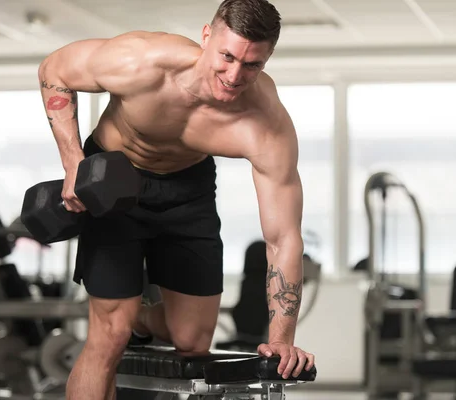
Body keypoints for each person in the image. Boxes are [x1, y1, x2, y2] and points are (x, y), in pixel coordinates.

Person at [38, 0, 315, 398]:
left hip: (189, 190)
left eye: (252, 65)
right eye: (227, 56)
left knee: (192, 340)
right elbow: (54, 70)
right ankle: (126, 320)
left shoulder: (265, 124)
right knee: (109, 333)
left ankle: (143, 320)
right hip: (114, 182)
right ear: (206, 36)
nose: (235, 75)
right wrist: (72, 163)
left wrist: (282, 338)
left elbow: (283, 237)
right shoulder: (142, 61)